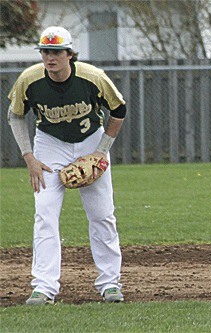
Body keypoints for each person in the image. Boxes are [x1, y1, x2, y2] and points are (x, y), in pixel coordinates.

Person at [7, 26, 127, 305]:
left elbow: (119, 110)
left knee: (102, 214)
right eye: (45, 52)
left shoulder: (92, 77)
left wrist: (100, 153)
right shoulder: (30, 79)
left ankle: (110, 284)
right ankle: (44, 287)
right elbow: (15, 116)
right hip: (49, 145)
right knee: (45, 214)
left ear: (70, 54)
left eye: (56, 52)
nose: (50, 57)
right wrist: (29, 158)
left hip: (90, 141)